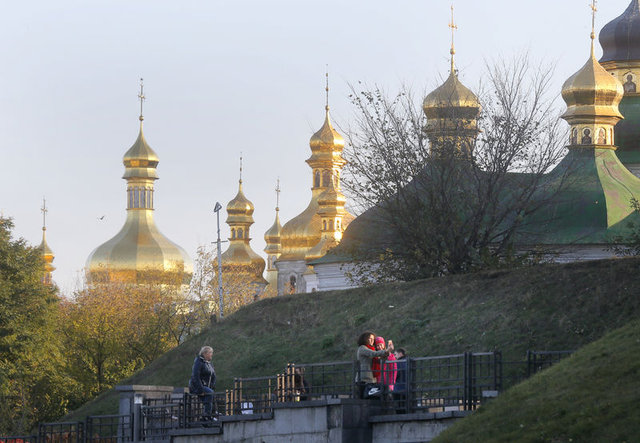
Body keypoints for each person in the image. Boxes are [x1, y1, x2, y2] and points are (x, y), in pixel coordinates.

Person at [355, 331, 390, 399]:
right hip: (363, 378)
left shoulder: (371, 349)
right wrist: (386, 351)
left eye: (373, 339)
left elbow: (379, 360)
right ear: (365, 339)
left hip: (371, 378)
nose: (372, 340)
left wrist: (386, 354)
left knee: (370, 398)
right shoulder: (362, 348)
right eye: (370, 338)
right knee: (363, 398)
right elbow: (373, 354)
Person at [189, 345, 217, 422]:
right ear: (205, 354)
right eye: (210, 352)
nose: (212, 354)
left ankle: (211, 414)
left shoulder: (209, 363)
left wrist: (212, 385)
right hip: (196, 386)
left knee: (211, 395)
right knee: (210, 393)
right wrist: (200, 390)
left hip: (206, 386)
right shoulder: (198, 362)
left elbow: (213, 375)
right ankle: (206, 416)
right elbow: (195, 376)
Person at [394, 348, 408, 412]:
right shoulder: (408, 362)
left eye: (395, 354)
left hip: (398, 389)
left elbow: (395, 375)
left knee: (399, 409)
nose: (394, 356)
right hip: (407, 389)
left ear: (400, 354)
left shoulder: (398, 363)